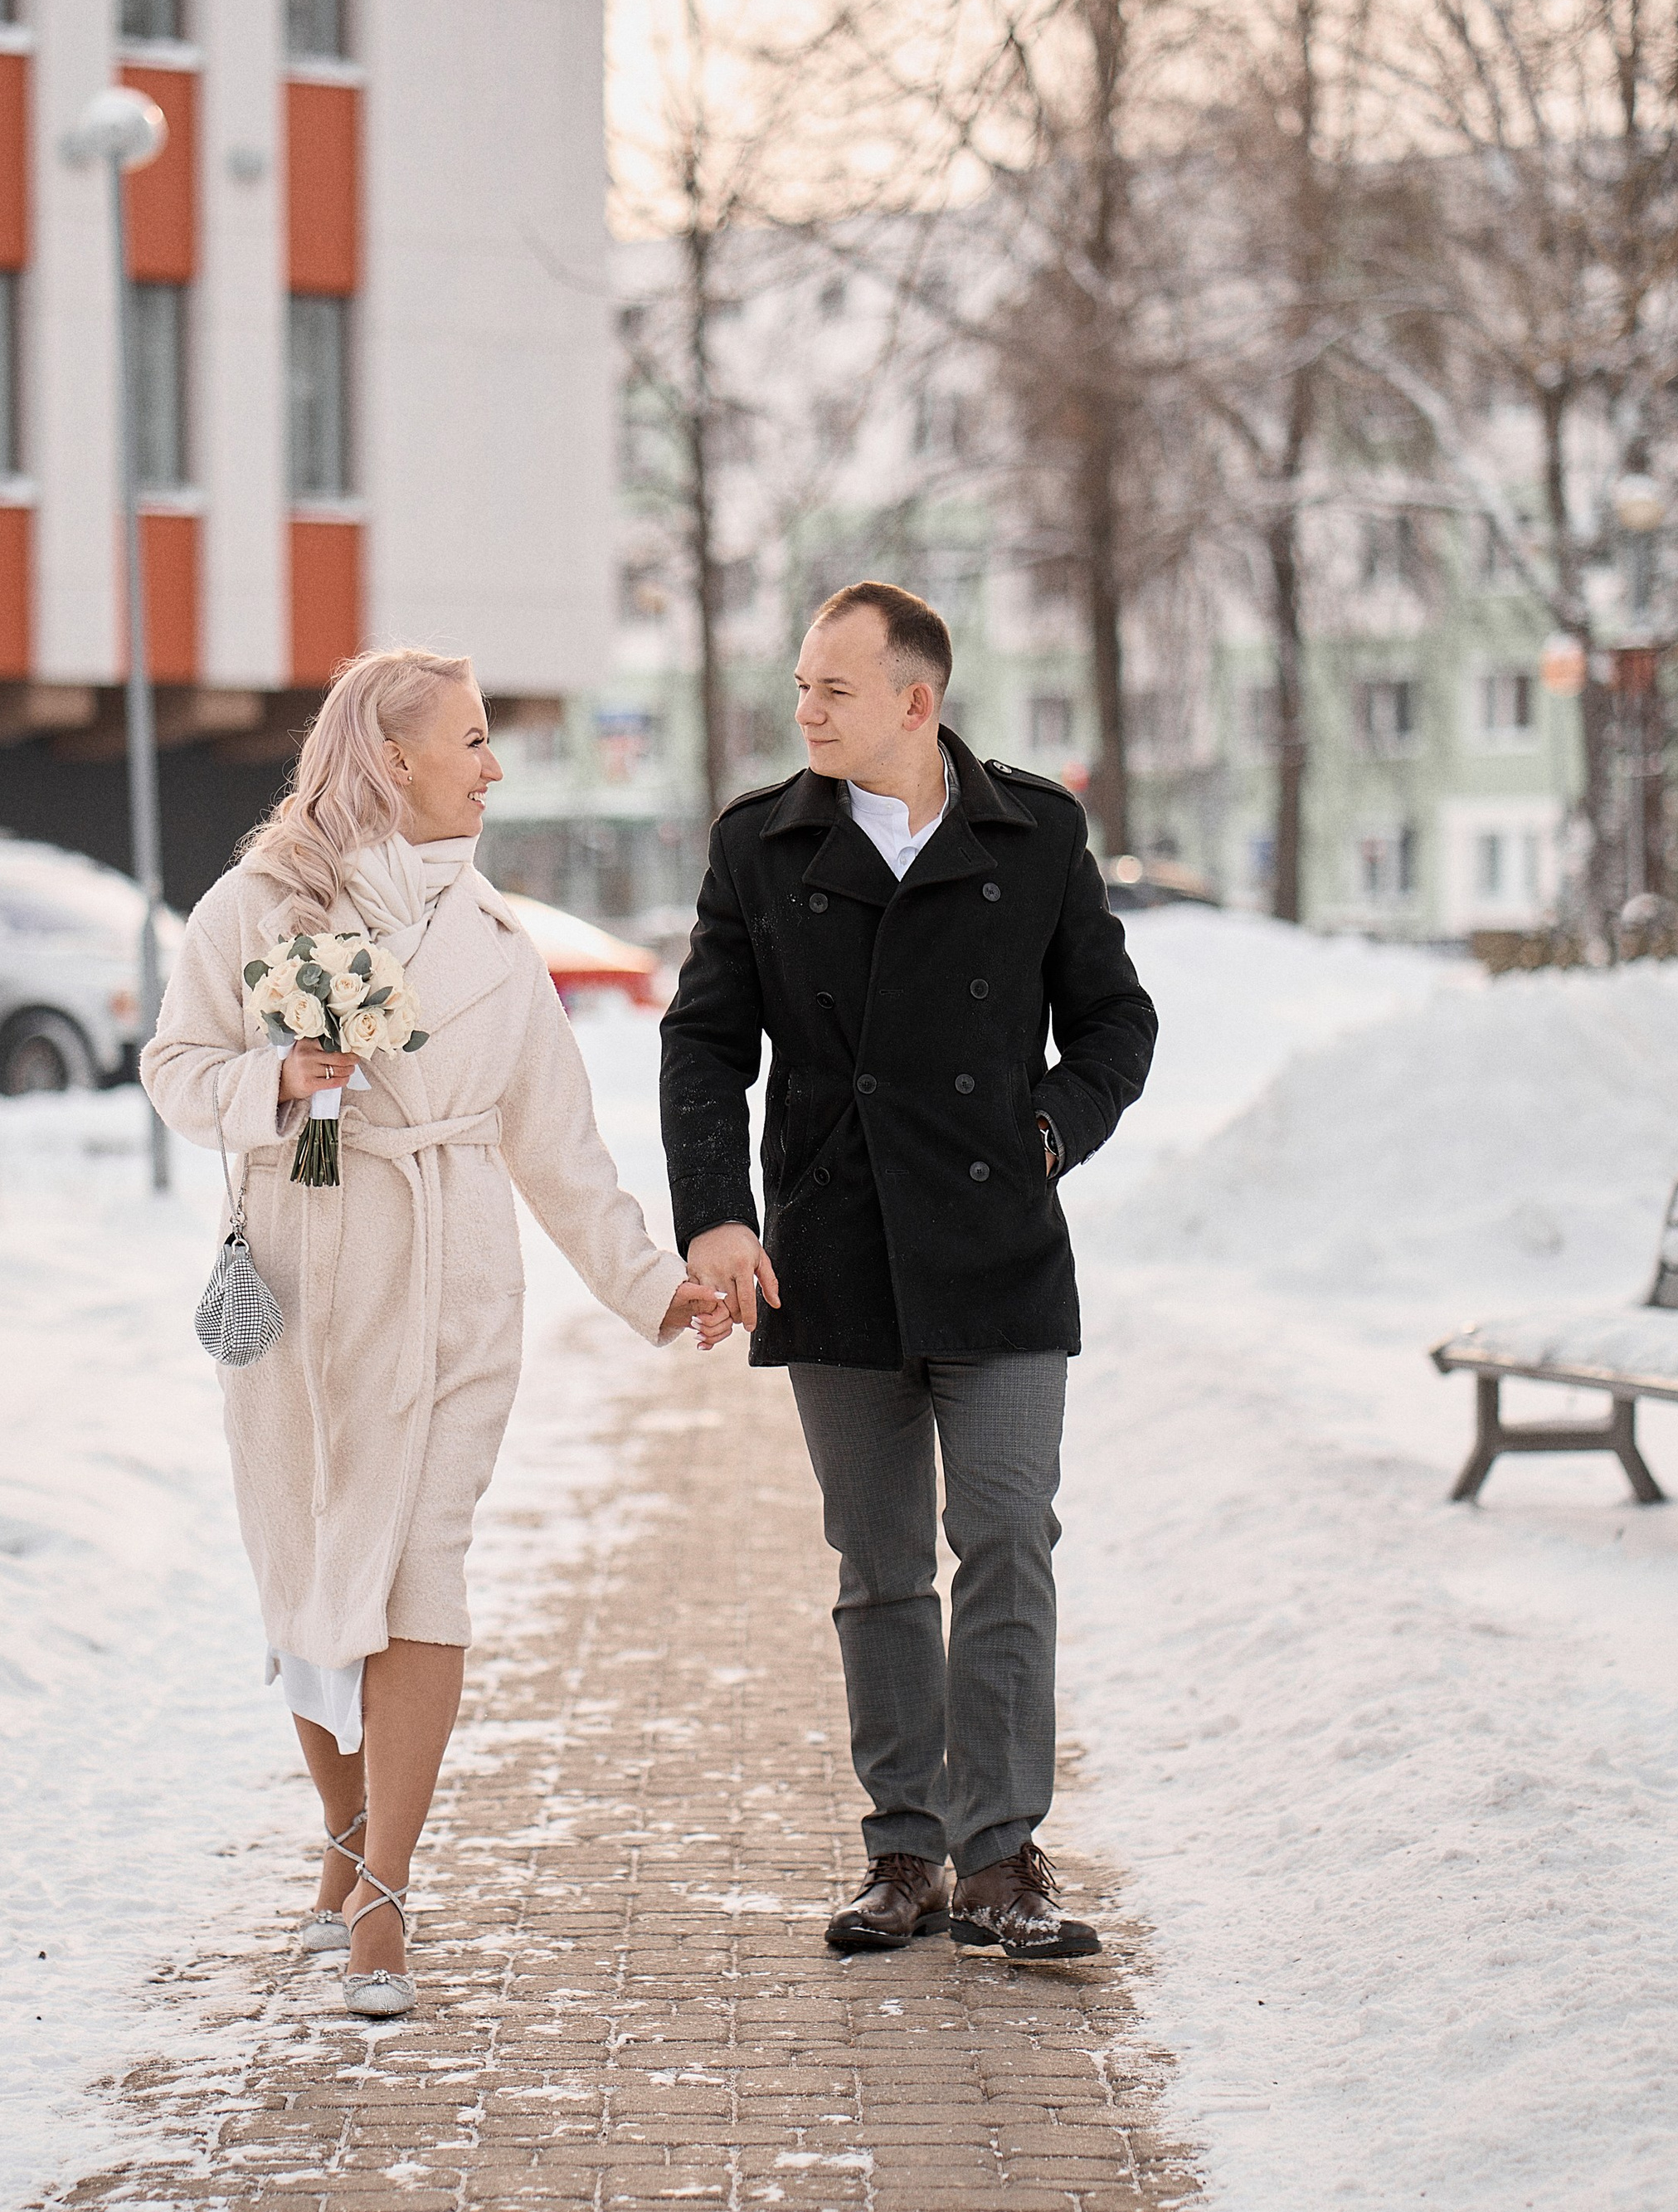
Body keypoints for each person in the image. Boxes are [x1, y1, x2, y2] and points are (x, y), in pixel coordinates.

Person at [143, 647, 727, 2019]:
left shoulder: (497, 946)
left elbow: (561, 1149)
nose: (493, 762)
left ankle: (385, 1901)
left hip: (451, 1271)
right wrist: (273, 1079)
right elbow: (173, 1068)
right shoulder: (258, 905)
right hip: (300, 1265)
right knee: (306, 1556)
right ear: (392, 757)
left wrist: (650, 1286)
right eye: (471, 738)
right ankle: (342, 1843)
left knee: (421, 1568)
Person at [659, 582, 1157, 1961]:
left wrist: (1051, 1131)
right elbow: (705, 1042)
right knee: (878, 1566)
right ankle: (904, 1851)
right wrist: (717, 1215)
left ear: (914, 702)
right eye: (801, 687)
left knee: (1006, 1537)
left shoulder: (1034, 829)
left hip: (998, 1252)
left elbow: (1116, 1019)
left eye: (832, 689)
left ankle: (1002, 1858)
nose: (804, 710)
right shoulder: (763, 844)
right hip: (834, 1251)